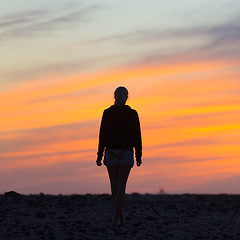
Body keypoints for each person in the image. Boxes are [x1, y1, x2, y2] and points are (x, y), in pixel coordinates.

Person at [96, 86, 142, 226]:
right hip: (126, 153)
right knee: (121, 185)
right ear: (127, 97)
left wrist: (99, 155)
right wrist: (138, 155)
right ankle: (118, 217)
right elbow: (137, 136)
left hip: (111, 152)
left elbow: (102, 135)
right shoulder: (133, 114)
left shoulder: (107, 113)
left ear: (114, 96)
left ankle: (117, 217)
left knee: (114, 186)